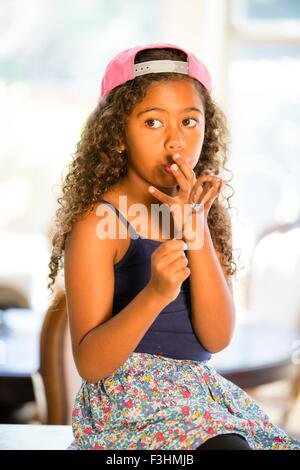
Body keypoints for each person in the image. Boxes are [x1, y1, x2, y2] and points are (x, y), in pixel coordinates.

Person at [48, 43, 300, 450]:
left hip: (199, 399)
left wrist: (196, 231)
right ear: (116, 136)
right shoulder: (100, 223)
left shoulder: (206, 215)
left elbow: (216, 338)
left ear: (207, 130)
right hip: (126, 410)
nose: (175, 141)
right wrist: (156, 293)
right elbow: (91, 365)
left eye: (189, 121)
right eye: (152, 122)